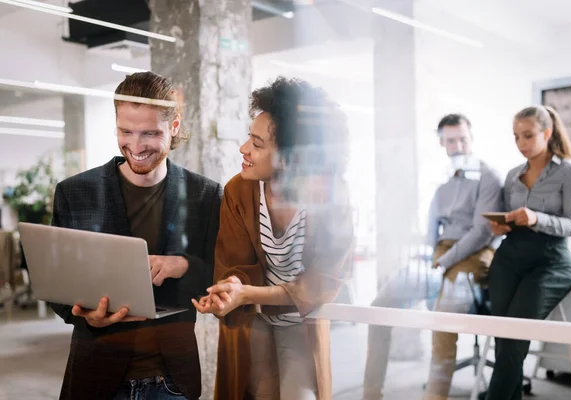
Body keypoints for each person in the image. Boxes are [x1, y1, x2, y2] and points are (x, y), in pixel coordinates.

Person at [50, 71, 222, 400]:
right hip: (96, 375)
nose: (136, 145)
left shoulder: (206, 195)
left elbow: (218, 276)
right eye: (125, 131)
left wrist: (185, 266)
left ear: (173, 127)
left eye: (150, 133)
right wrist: (84, 316)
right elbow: (56, 280)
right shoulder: (76, 192)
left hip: (172, 379)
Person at [193, 77, 355, 400]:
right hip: (255, 318)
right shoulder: (237, 191)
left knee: (301, 395)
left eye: (257, 143)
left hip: (302, 319)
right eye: (248, 139)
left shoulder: (330, 198)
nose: (244, 149)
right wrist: (229, 290)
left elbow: (324, 281)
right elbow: (233, 264)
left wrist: (245, 292)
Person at [362, 114, 503, 400]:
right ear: (442, 143)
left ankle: (435, 396)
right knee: (379, 306)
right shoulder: (442, 182)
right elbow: (430, 232)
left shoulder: (488, 177)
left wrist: (444, 261)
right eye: (451, 140)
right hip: (440, 256)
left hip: (475, 254)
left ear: (471, 138)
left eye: (463, 138)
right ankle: (371, 392)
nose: (459, 145)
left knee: (443, 316)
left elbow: (482, 232)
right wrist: (425, 262)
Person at [484, 105, 571, 400]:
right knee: (504, 339)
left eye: (527, 136)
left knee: (513, 340)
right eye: (516, 137)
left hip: (551, 263)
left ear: (547, 133)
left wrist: (536, 218)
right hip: (509, 259)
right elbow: (510, 218)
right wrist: (501, 226)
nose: (521, 144)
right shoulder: (513, 175)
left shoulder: (569, 171)